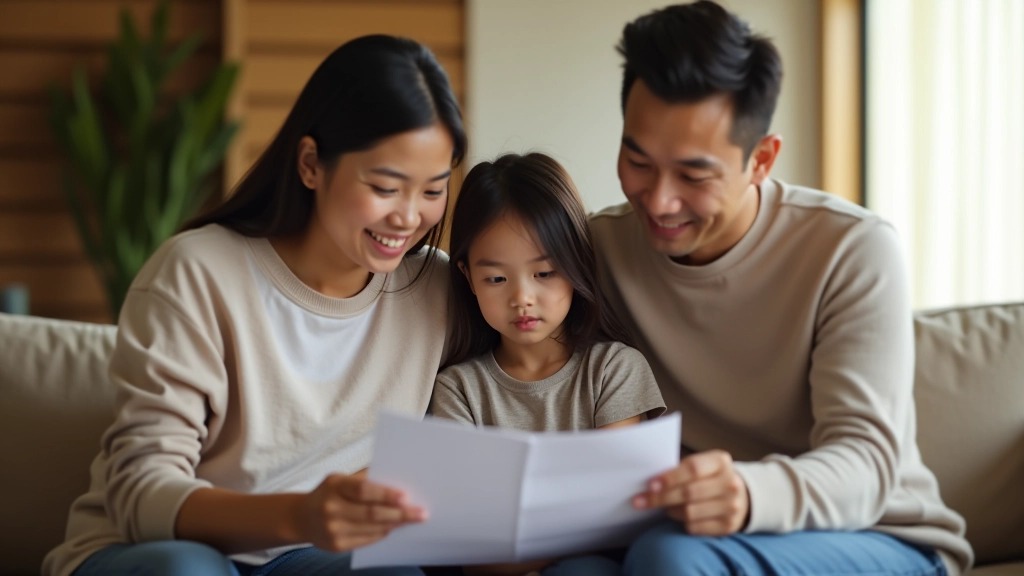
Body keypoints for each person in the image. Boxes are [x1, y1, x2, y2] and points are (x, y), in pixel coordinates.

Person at [43, 35, 466, 576]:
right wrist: (300, 515)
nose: (409, 217)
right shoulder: (198, 272)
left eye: (432, 190)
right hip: (154, 552)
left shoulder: (433, 287)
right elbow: (138, 493)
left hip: (307, 559)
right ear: (312, 164)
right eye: (386, 187)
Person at [587, 2, 973, 575]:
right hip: (688, 532)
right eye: (637, 161)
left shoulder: (851, 249)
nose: (660, 200)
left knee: (668, 559)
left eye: (694, 176)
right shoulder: (600, 250)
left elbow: (866, 463)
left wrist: (745, 493)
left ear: (761, 159)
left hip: (879, 534)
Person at [431, 152, 665, 576]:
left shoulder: (614, 370)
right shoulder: (457, 389)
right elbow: (470, 546)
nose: (522, 298)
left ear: (575, 264)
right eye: (497, 279)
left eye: (545, 273)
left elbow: (615, 514)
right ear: (467, 276)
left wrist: (515, 551)